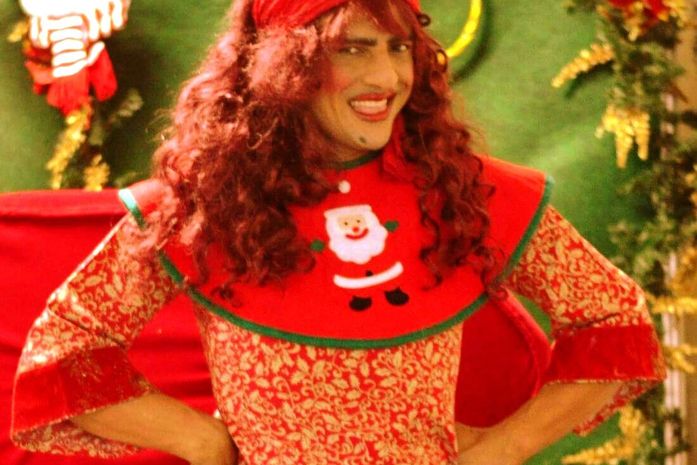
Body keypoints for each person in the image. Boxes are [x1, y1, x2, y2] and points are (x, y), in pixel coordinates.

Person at [10, 0, 666, 464]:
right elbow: (64, 350)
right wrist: (199, 439)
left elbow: (613, 319)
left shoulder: (462, 190)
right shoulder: (204, 204)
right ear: (283, 63)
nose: (386, 78)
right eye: (351, 49)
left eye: (397, 47)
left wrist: (503, 448)